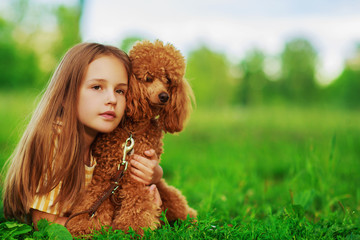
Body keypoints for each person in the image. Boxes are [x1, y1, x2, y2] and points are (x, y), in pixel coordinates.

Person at [2, 42, 163, 228]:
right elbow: (44, 223)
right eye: (97, 87)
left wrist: (153, 176)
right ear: (65, 95)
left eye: (120, 91)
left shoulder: (107, 141)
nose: (112, 99)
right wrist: (115, 229)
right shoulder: (56, 141)